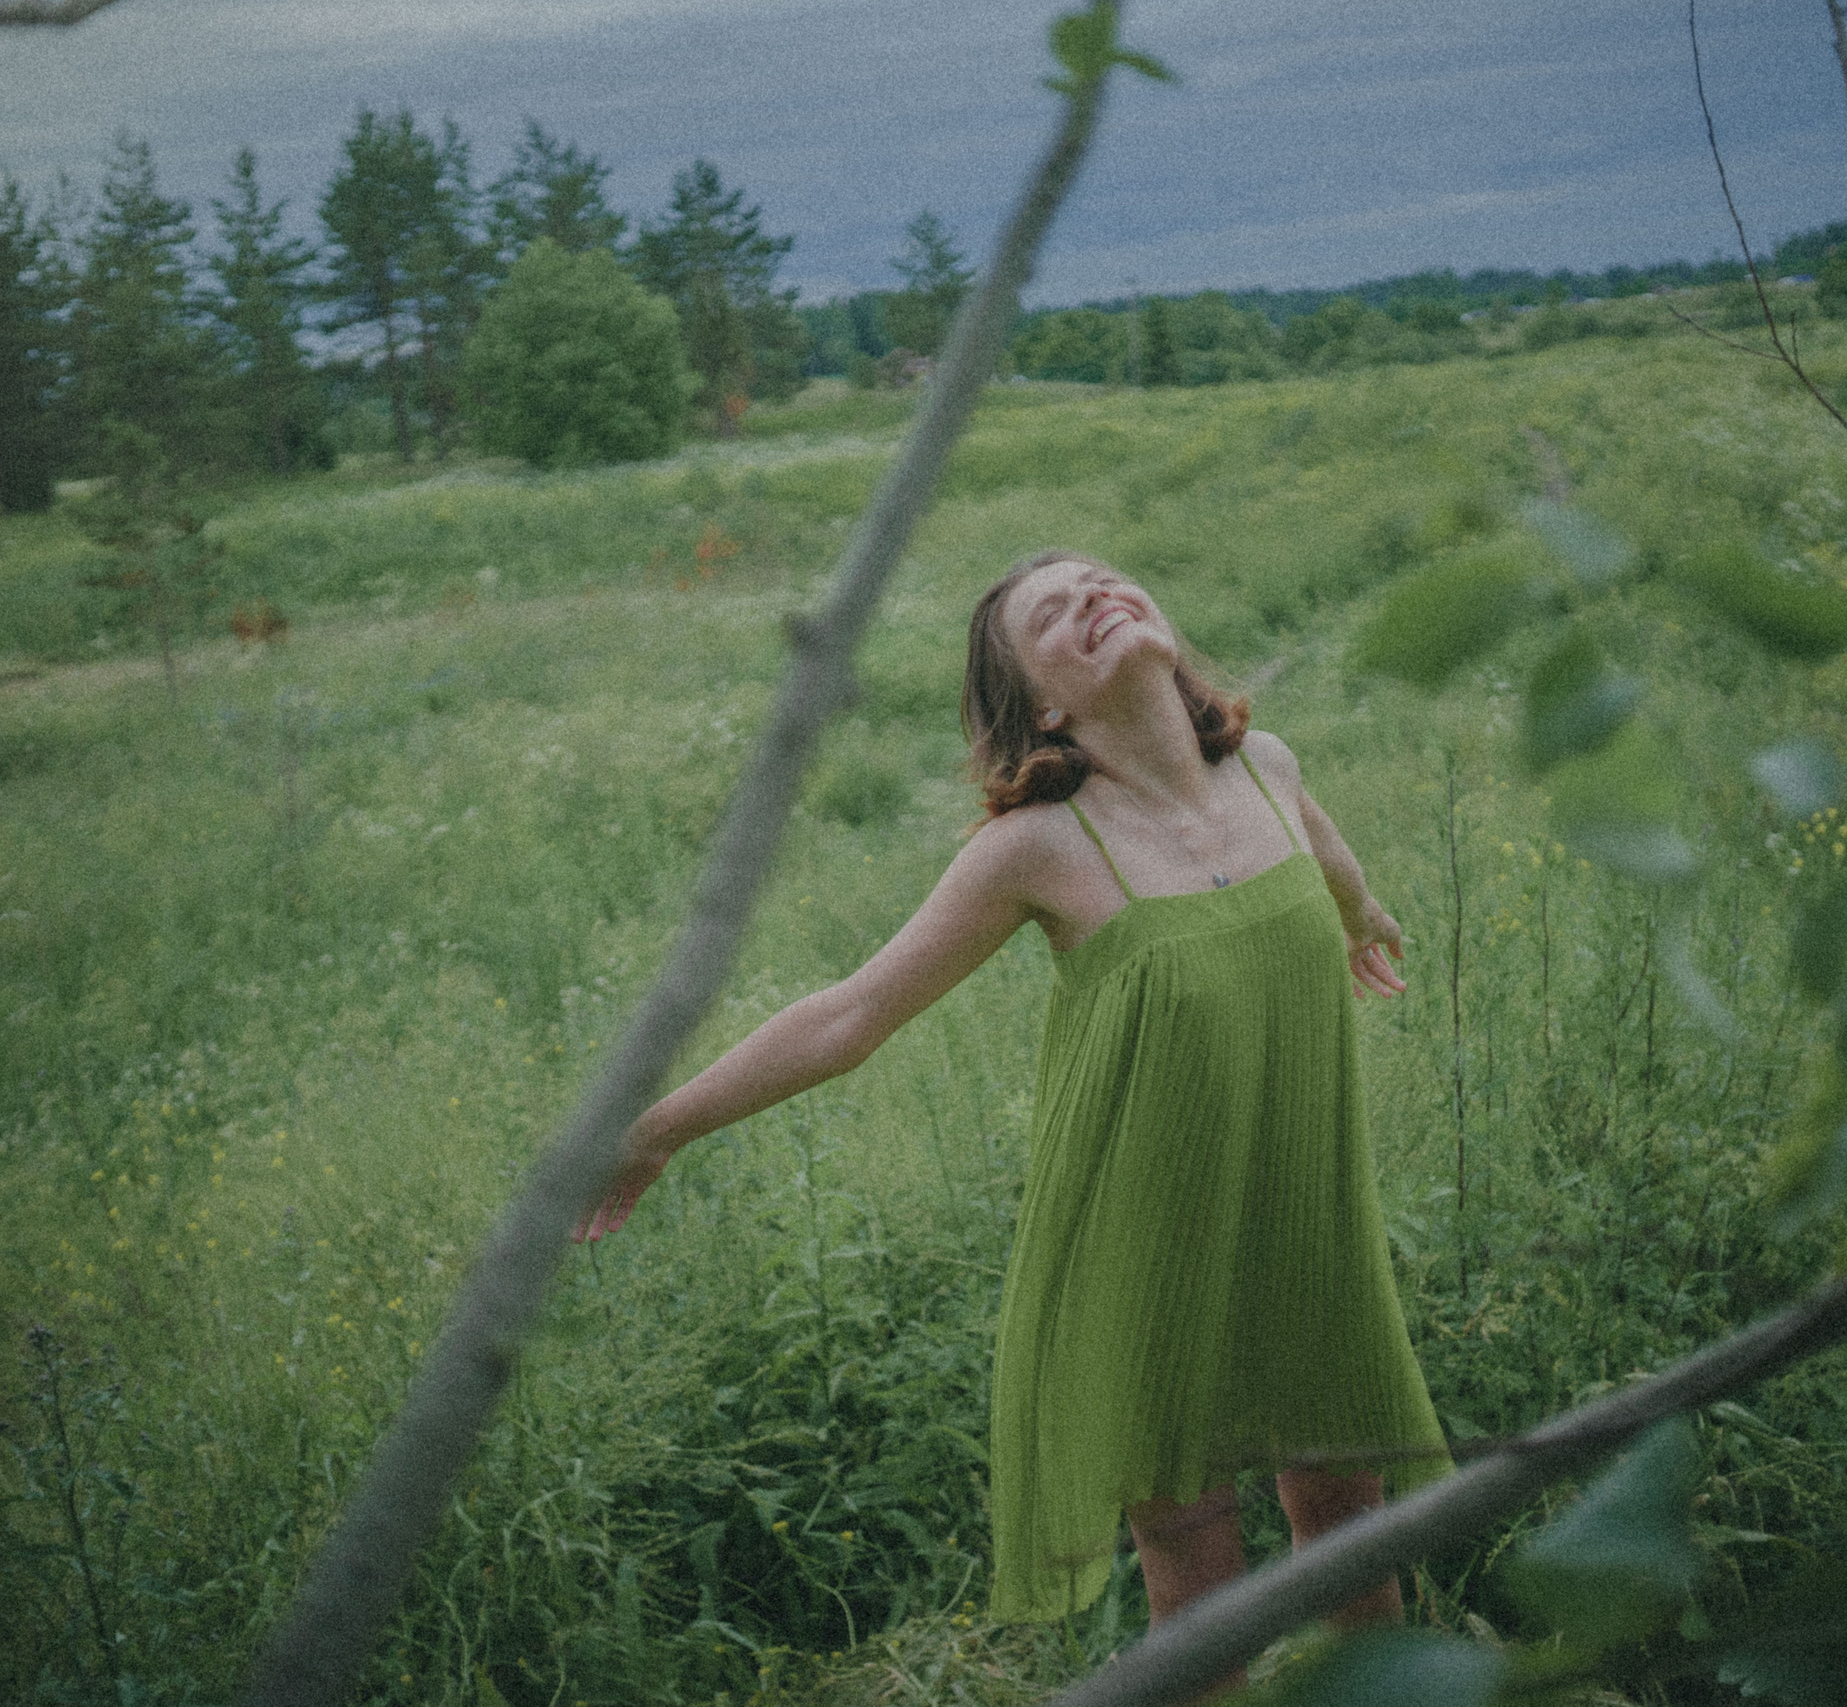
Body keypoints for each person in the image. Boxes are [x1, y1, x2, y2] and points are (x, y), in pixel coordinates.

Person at [577, 549, 1447, 1652]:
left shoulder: (1266, 767)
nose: (1094, 595)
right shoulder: (1034, 848)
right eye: (1055, 610)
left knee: (1346, 1521)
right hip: (1141, 1249)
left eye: (1103, 578)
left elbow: (1322, 845)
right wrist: (653, 1129)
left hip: (1301, 1217)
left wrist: (1362, 912)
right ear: (1041, 704)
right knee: (1200, 1576)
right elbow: (850, 1014)